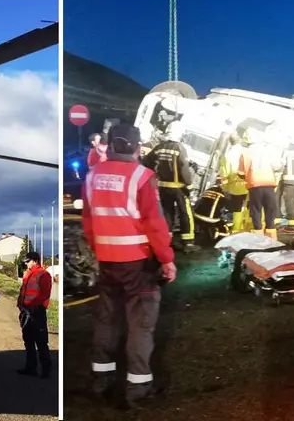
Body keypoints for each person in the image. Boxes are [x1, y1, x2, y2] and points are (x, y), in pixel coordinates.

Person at [81, 123, 177, 409]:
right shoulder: (142, 176)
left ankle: (101, 379)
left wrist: (100, 249)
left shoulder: (92, 176)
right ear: (137, 147)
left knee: (107, 318)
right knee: (140, 323)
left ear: (109, 145)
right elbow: (155, 224)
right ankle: (138, 385)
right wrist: (167, 260)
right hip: (138, 262)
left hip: (107, 260)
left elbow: (88, 221)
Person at [141, 121, 200, 253]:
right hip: (178, 187)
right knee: (185, 212)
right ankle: (188, 243)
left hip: (163, 186)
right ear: (180, 134)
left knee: (167, 213)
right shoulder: (180, 148)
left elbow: (146, 161)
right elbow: (183, 168)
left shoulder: (160, 147)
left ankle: (167, 240)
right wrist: (189, 185)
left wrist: (155, 174)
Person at [238, 127, 283, 240]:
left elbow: (241, 173)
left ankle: (258, 240)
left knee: (256, 213)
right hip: (268, 185)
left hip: (254, 187)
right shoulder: (267, 150)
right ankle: (272, 240)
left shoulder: (245, 153)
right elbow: (277, 166)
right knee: (270, 212)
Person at [17, 252, 53, 379]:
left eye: (27, 261)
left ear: (35, 261)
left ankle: (46, 369)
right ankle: (30, 367)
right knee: (28, 341)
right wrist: (20, 303)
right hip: (26, 311)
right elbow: (23, 290)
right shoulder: (28, 273)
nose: (25, 264)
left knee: (41, 342)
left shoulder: (44, 274)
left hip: (37, 312)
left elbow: (45, 294)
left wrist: (33, 305)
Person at [219, 132, 248, 233]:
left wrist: (225, 189)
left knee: (237, 209)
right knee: (247, 207)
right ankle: (247, 228)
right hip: (248, 184)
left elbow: (224, 173)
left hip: (235, 186)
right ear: (239, 140)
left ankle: (236, 229)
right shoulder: (246, 151)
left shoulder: (227, 155)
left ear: (230, 142)